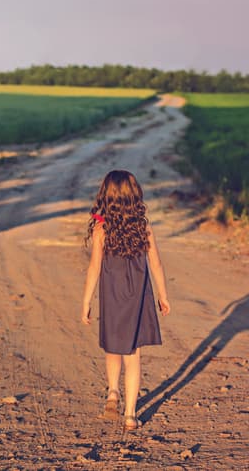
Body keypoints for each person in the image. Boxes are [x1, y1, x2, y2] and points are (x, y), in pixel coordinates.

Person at [80, 170, 171, 431]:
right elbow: (156, 264)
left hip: (112, 297)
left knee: (112, 349)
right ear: (134, 196)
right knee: (133, 355)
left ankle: (112, 393)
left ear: (106, 197)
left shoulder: (102, 230)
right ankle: (130, 415)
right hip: (138, 298)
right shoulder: (143, 228)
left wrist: (86, 301)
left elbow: (94, 268)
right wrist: (163, 296)